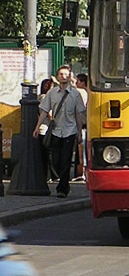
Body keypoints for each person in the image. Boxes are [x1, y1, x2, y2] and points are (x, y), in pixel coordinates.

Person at [32, 65, 86, 198]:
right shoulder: (52, 93)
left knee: (66, 160)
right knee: (55, 160)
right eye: (61, 74)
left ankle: (62, 188)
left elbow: (79, 114)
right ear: (57, 77)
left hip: (70, 130)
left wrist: (79, 132)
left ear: (70, 77)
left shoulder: (75, 94)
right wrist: (37, 127)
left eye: (66, 74)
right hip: (56, 130)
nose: (64, 76)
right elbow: (44, 110)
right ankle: (62, 182)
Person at [37, 78, 58, 182]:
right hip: (46, 129)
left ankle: (46, 175)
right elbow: (48, 113)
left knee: (45, 153)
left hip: (43, 129)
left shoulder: (40, 97)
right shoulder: (45, 98)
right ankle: (53, 175)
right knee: (49, 153)